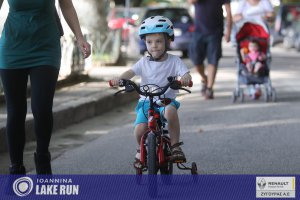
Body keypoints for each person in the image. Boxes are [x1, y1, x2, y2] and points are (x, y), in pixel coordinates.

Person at [0, 0, 91, 175]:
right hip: (12, 46)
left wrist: (80, 37)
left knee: (41, 108)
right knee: (15, 111)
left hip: (45, 48)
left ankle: (42, 157)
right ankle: (16, 167)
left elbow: (66, 5)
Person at [110, 16, 192, 168]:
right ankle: (141, 150)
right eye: (149, 42)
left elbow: (186, 74)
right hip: (146, 102)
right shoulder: (143, 62)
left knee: (170, 112)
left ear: (168, 41)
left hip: (166, 100)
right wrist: (120, 79)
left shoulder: (174, 61)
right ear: (145, 42)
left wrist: (185, 78)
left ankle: (175, 147)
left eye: (159, 41)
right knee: (140, 130)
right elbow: (130, 72)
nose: (154, 46)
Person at [188, 0, 232, 99]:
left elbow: (228, 12)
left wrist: (228, 30)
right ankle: (205, 78)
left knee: (213, 59)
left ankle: (209, 88)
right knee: (196, 61)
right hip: (198, 31)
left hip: (215, 31)